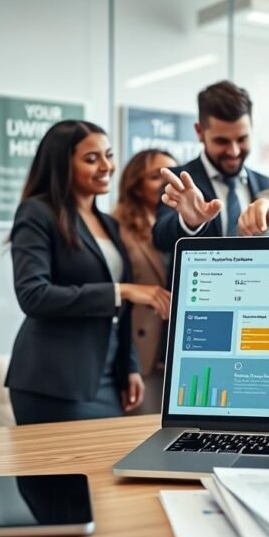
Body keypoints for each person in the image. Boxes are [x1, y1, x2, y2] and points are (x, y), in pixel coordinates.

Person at [5, 120, 171, 425]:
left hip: (107, 377)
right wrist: (121, 291)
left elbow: (120, 312)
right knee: (62, 475)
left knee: (109, 472)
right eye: (91, 159)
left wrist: (130, 366)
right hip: (54, 381)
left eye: (108, 155)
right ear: (62, 165)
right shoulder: (37, 212)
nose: (106, 166)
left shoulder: (109, 224)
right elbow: (33, 295)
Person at [152, 80, 269, 252]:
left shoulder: (267, 185)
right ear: (199, 132)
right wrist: (189, 223)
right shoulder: (179, 181)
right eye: (221, 141)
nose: (234, 151)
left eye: (242, 139)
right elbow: (160, 238)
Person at [112, 148, 178, 414]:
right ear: (135, 186)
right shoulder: (117, 229)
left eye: (173, 174)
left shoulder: (182, 226)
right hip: (142, 354)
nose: (167, 182)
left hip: (176, 352)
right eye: (156, 176)